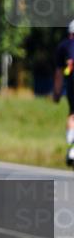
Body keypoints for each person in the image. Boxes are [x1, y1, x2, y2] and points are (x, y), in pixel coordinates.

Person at [53, 19, 74, 167]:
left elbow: (59, 74)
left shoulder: (63, 46)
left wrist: (57, 93)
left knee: (72, 114)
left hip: (72, 83)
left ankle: (72, 148)